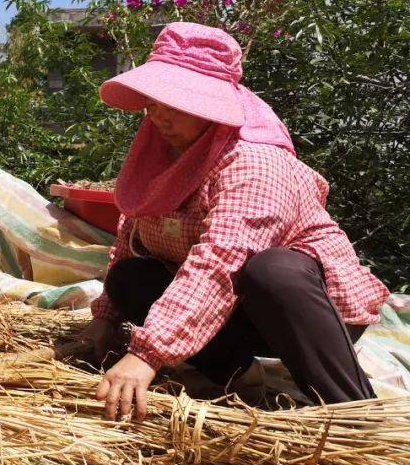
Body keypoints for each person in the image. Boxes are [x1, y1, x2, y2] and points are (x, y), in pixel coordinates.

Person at [82, 22, 388, 421]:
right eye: (153, 102)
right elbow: (129, 237)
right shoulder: (164, 154)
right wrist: (105, 318)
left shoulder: (254, 161)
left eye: (174, 104)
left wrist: (147, 354)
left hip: (307, 314)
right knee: (130, 278)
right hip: (231, 311)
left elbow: (222, 260)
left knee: (272, 270)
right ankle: (235, 374)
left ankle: (351, 408)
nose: (158, 116)